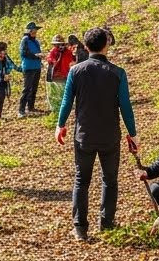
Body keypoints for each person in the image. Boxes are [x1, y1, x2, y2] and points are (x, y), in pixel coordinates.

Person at [56, 27, 139, 242]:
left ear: (85, 46)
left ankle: (80, 228)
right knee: (109, 180)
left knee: (81, 180)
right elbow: (125, 106)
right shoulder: (118, 73)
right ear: (106, 45)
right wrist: (133, 133)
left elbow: (67, 101)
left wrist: (60, 124)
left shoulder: (76, 71)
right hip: (110, 135)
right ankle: (107, 223)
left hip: (84, 135)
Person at [18, 22, 45, 118]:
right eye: (34, 30)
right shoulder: (24, 40)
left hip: (36, 67)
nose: (35, 32)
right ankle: (21, 110)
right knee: (26, 88)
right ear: (29, 31)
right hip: (28, 67)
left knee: (34, 88)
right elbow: (24, 53)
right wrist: (35, 56)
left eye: (36, 30)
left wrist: (40, 58)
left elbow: (38, 52)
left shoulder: (36, 42)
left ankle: (31, 107)